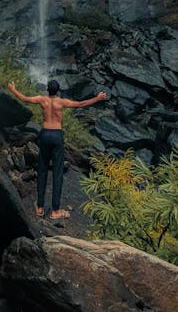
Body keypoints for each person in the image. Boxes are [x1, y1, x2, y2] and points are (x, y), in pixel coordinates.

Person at [8, 79, 106, 220]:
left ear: (47, 89)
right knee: (57, 172)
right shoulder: (62, 102)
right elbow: (81, 104)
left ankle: (40, 207)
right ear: (58, 90)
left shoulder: (42, 100)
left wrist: (12, 88)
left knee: (42, 170)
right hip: (56, 135)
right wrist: (98, 97)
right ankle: (55, 211)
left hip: (45, 134)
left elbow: (24, 98)